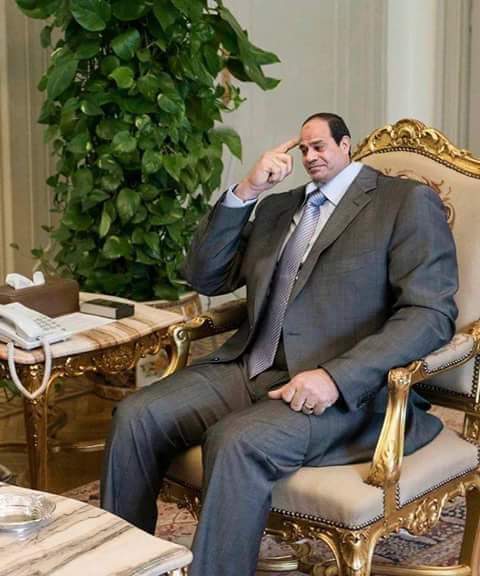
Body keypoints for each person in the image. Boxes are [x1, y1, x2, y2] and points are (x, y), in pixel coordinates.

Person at [101, 113, 458, 576]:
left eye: (319, 146)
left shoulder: (403, 201)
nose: (309, 156)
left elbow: (430, 315)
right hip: (248, 366)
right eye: (303, 148)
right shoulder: (277, 208)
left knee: (235, 441)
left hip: (344, 392)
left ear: (346, 145)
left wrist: (336, 378)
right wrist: (246, 191)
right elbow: (204, 276)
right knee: (136, 416)